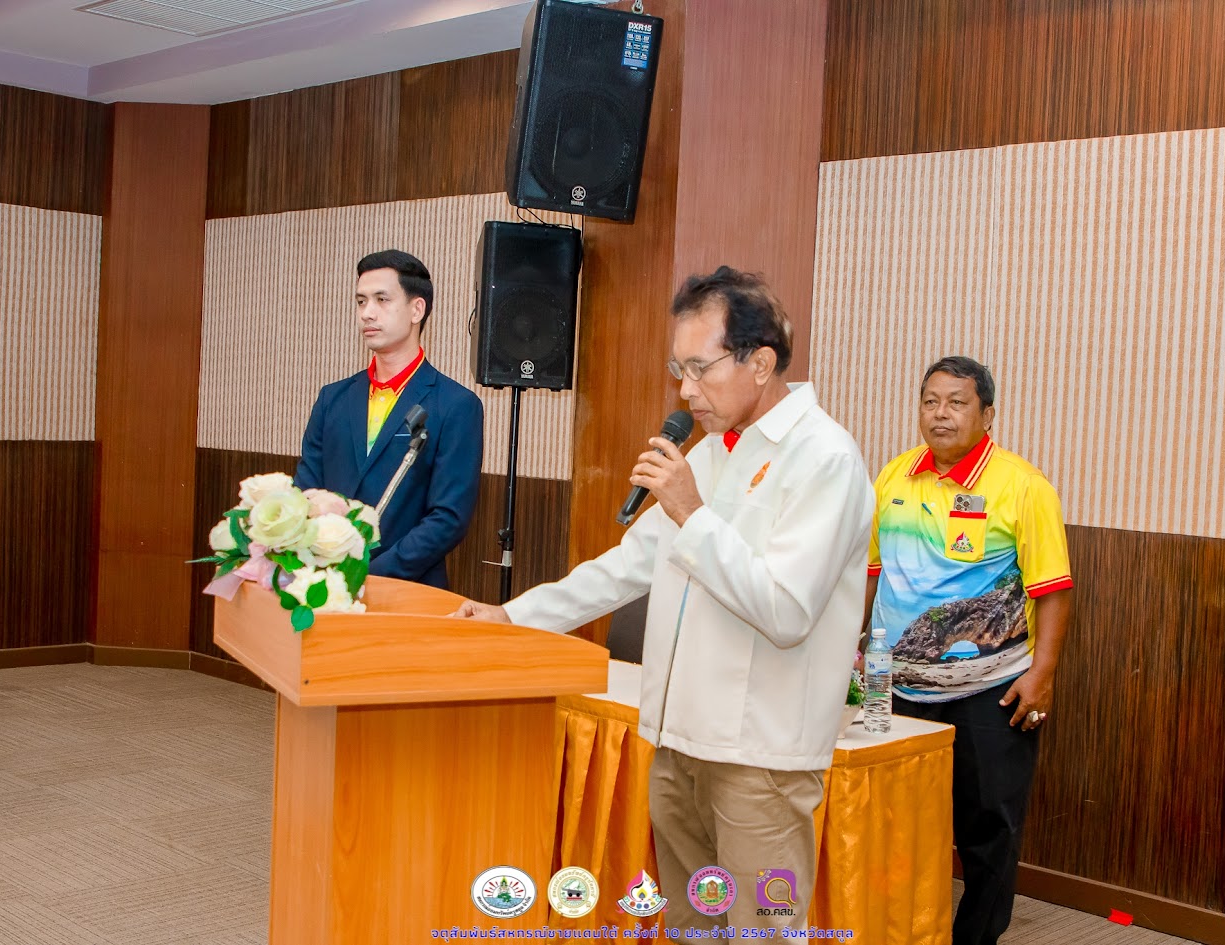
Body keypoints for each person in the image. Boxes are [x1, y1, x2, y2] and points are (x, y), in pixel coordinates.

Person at [452, 267, 872, 931]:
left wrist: (691, 514)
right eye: (680, 368)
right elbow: (626, 566)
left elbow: (787, 611)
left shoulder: (823, 458)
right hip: (679, 742)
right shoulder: (710, 453)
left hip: (759, 757)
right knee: (692, 923)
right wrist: (514, 615)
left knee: (761, 930)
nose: (685, 390)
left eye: (701, 368)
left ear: (761, 363)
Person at [865, 355, 1073, 945]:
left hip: (991, 688)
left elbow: (1054, 591)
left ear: (987, 414)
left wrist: (1043, 675)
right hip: (892, 685)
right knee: (896, 822)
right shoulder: (894, 475)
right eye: (931, 401)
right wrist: (851, 653)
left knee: (988, 827)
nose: (941, 414)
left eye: (957, 403)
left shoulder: (1023, 486)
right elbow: (871, 574)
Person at [295, 250, 483, 590]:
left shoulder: (455, 405)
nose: (367, 313)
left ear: (416, 309)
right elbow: (305, 491)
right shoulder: (332, 399)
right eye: (361, 301)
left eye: (382, 300)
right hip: (321, 585)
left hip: (407, 591)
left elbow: (448, 518)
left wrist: (367, 575)